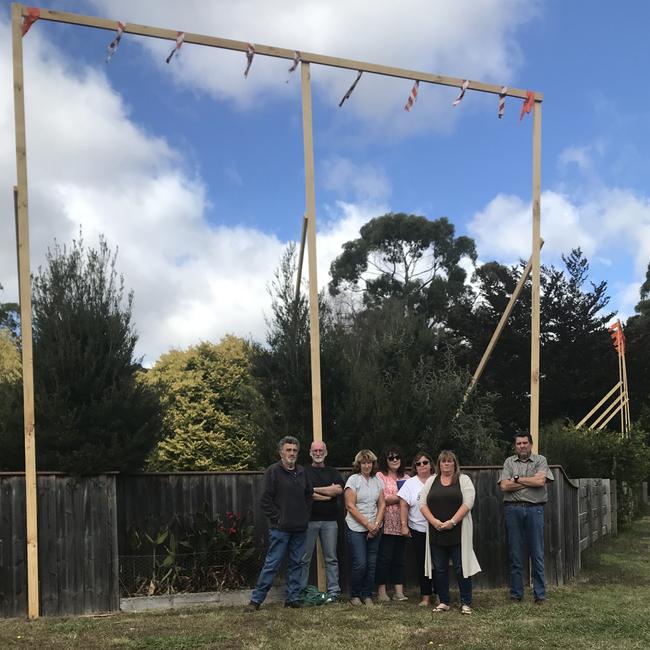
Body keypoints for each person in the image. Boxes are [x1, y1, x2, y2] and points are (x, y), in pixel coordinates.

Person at [246, 436, 312, 611]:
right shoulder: (273, 471)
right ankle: (256, 601)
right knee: (272, 564)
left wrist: (305, 514)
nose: (291, 453)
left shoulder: (302, 472)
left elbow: (308, 494)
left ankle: (293, 598)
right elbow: (265, 500)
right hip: (280, 529)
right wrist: (278, 518)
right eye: (288, 450)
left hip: (300, 528)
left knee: (296, 563)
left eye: (294, 450)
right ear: (281, 452)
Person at [420, 450, 481, 615]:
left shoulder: (464, 480)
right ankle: (444, 601)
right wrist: (434, 522)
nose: (446, 464)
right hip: (437, 531)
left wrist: (452, 522)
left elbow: (468, 503)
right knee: (439, 569)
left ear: (455, 463)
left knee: (462, 568)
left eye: (449, 461)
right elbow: (422, 503)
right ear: (439, 464)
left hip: (458, 532)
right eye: (443, 461)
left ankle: (466, 602)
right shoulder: (432, 480)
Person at [498, 432, 554, 604]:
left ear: (531, 444)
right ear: (515, 446)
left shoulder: (540, 460)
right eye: (518, 443)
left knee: (536, 553)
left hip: (534, 510)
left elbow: (540, 483)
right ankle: (516, 594)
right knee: (515, 553)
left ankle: (540, 595)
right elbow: (504, 486)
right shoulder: (509, 462)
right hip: (513, 510)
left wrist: (516, 479)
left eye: (524, 443)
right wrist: (528, 480)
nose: (521, 446)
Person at [299, 440, 345, 602]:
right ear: (310, 452)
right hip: (309, 521)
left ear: (326, 452)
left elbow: (338, 490)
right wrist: (327, 493)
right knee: (304, 559)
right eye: (315, 451)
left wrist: (313, 489)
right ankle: (301, 591)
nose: (318, 453)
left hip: (330, 521)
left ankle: (334, 591)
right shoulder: (303, 471)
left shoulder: (332, 471)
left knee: (331, 558)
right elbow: (305, 493)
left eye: (321, 450)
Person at [344, 449, 385, 606]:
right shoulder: (353, 480)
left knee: (371, 563)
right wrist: (367, 525)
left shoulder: (377, 481)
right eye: (363, 462)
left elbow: (381, 504)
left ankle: (367, 594)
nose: (367, 465)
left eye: (369, 462)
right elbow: (350, 506)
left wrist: (375, 525)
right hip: (356, 527)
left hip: (375, 527)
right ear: (359, 464)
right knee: (360, 563)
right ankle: (355, 594)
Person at [398, 451, 436, 606]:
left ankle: (441, 594)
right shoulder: (410, 483)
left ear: (431, 464)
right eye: (418, 463)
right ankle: (425, 596)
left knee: (439, 563)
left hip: (438, 528)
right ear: (415, 466)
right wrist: (403, 525)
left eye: (425, 462)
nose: (422, 466)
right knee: (422, 563)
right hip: (418, 529)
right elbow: (403, 504)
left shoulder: (438, 480)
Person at [375, 445, 410, 602]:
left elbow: (411, 499)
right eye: (391, 457)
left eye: (397, 457)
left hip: (403, 524)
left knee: (400, 559)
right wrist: (402, 496)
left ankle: (398, 592)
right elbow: (383, 499)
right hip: (385, 524)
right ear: (385, 460)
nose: (395, 460)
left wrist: (396, 497)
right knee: (384, 558)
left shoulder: (407, 478)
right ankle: (381, 592)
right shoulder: (380, 477)